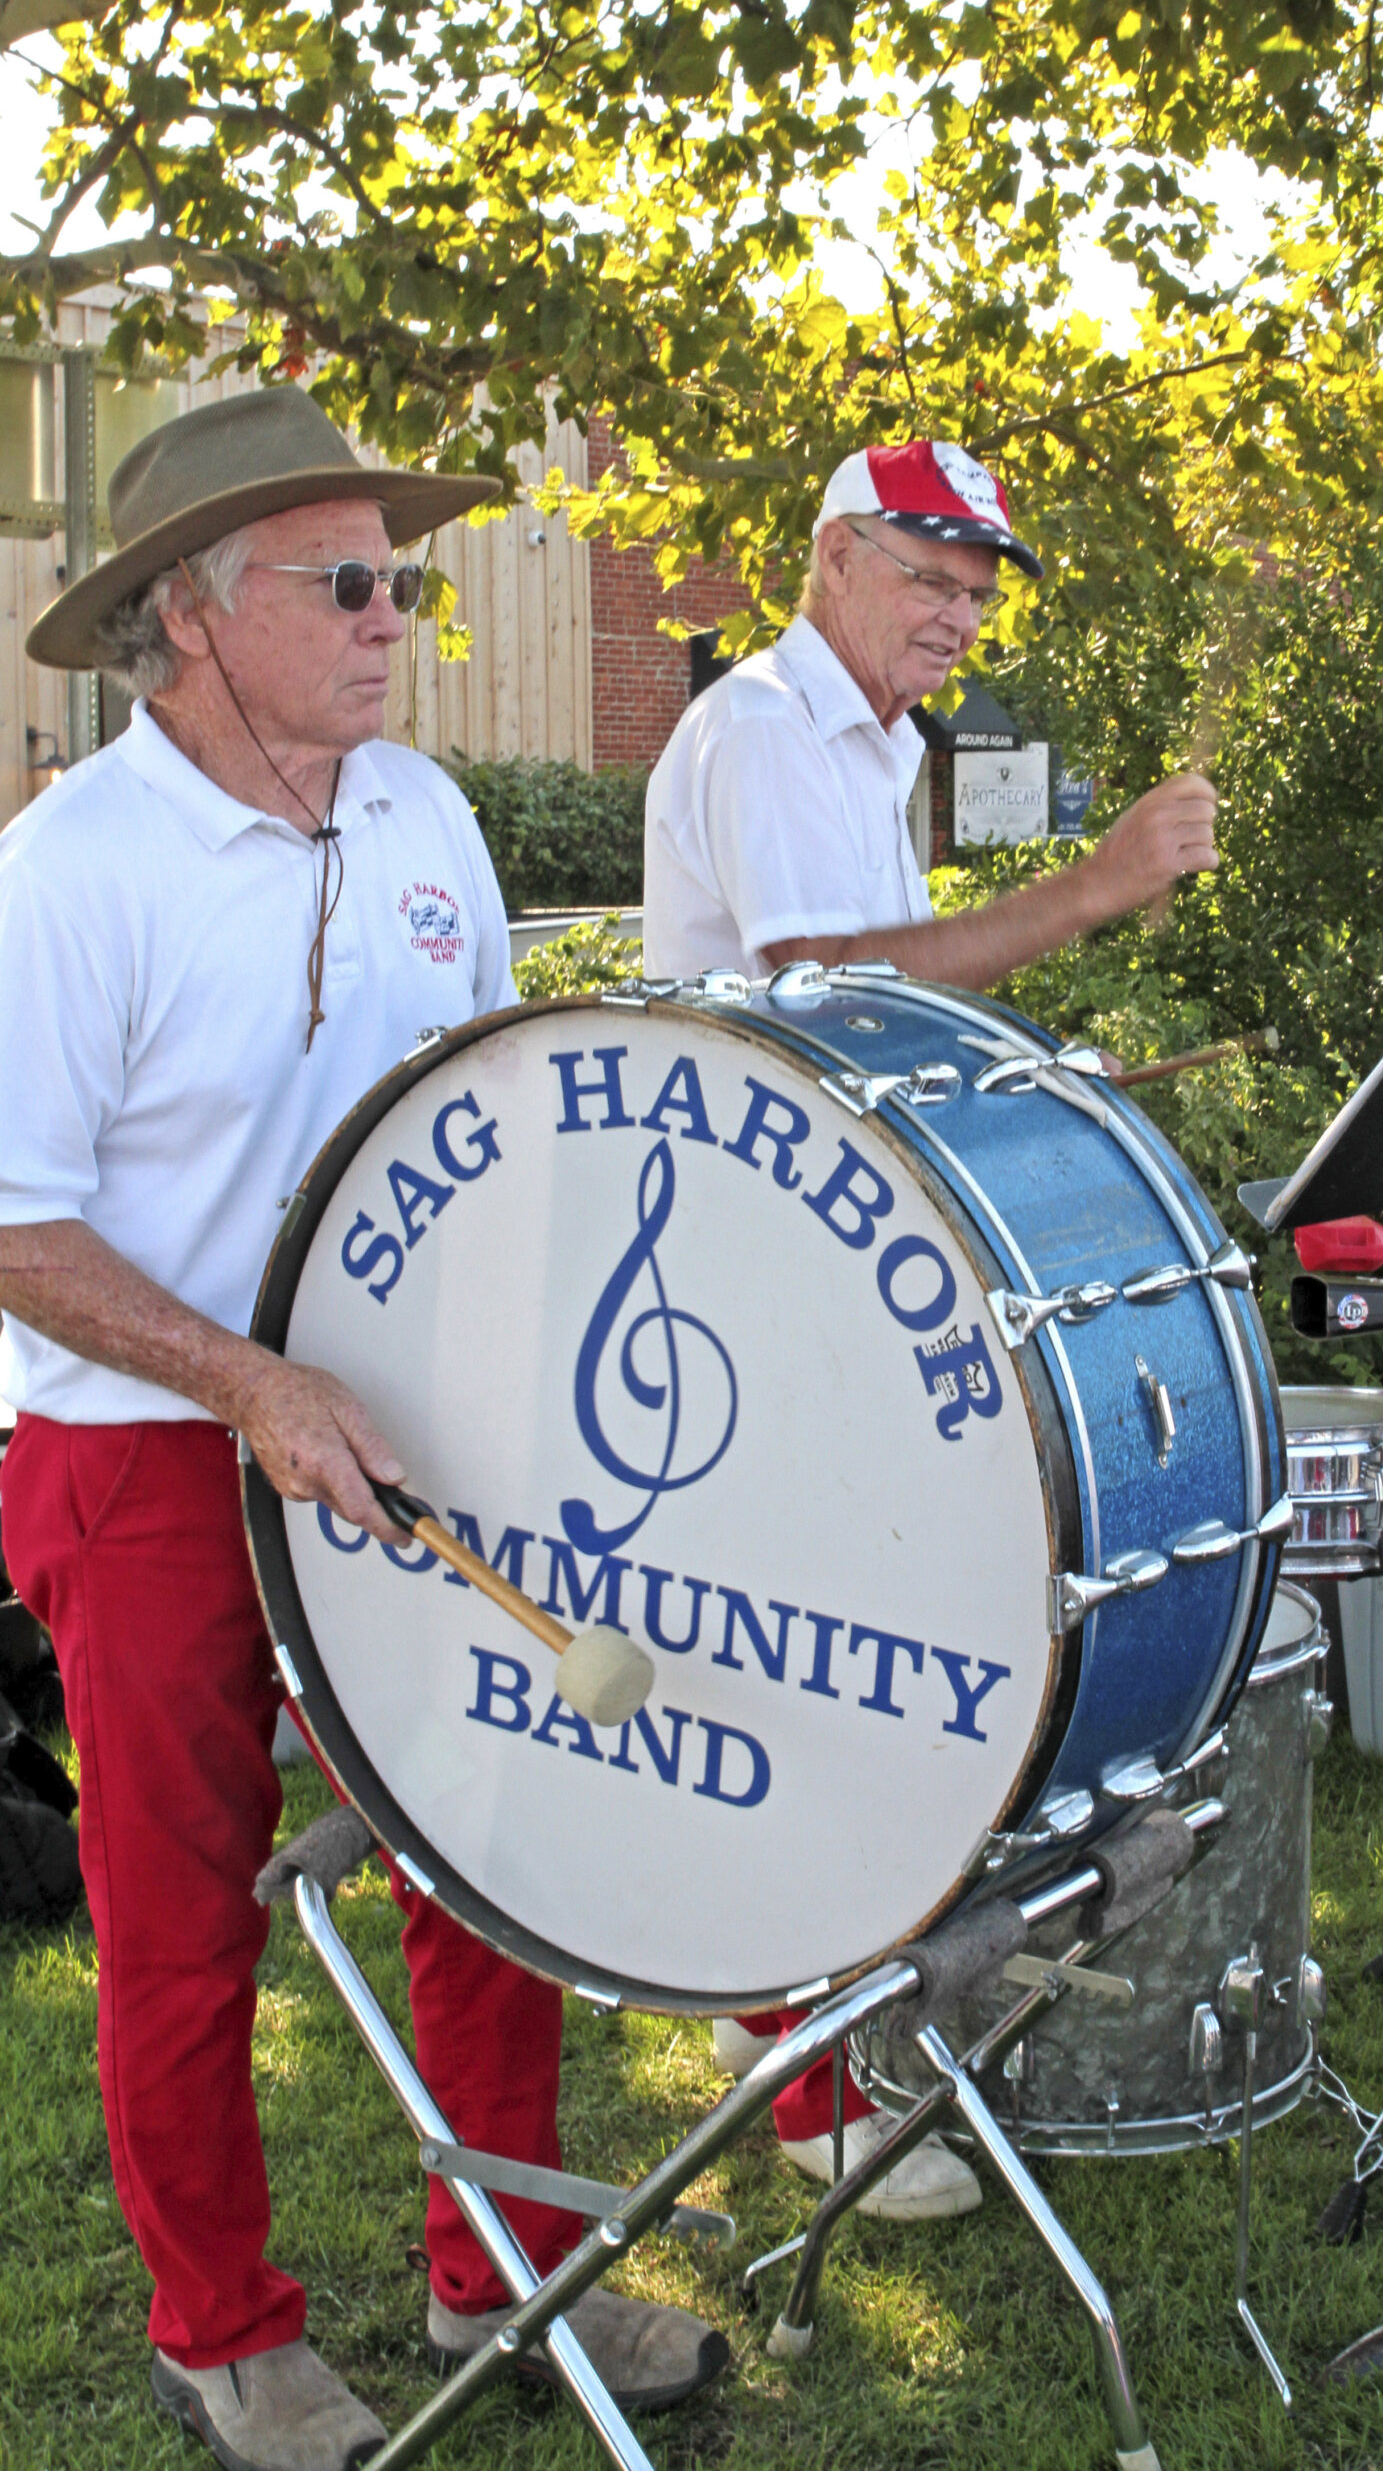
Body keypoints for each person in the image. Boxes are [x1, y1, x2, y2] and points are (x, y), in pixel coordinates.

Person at [0, 387, 726, 2471]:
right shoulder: (73, 870)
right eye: (349, 578)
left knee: (481, 1855)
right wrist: (246, 1380)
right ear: (194, 616)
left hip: (417, 1432)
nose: (393, 610)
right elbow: (7, 1213)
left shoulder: (420, 814)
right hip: (141, 1447)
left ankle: (494, 2256)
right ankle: (219, 2325)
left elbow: (489, 1108)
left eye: (396, 573)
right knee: (182, 1901)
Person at [643, 437, 1219, 2219]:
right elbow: (819, 980)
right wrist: (1093, 891)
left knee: (801, 1656)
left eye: (977, 591)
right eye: (929, 576)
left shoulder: (866, 742)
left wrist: (1023, 1067)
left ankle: (789, 2028)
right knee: (796, 1661)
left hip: (806, 1239)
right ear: (831, 559)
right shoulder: (764, 729)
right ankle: (794, 2071)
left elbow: (866, 1012)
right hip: (752, 1264)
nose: (959, 616)